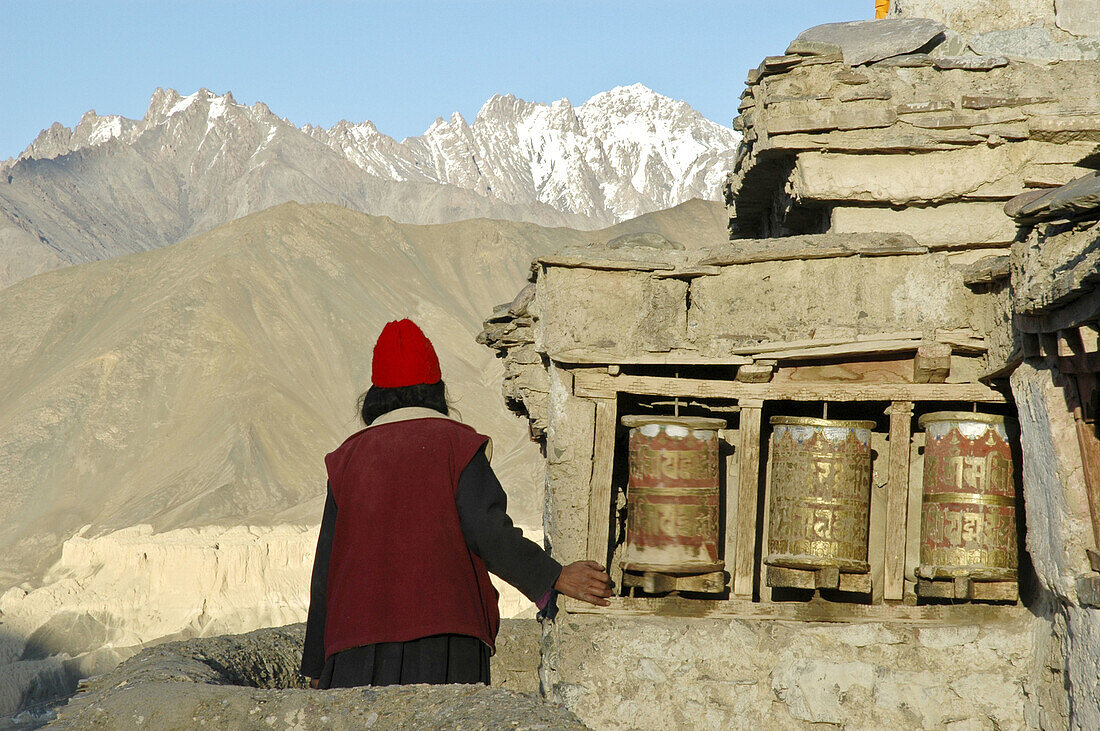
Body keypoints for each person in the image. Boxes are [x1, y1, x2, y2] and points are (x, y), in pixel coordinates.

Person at [300, 318, 613, 688]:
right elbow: (486, 529)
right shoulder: (457, 446)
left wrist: (318, 666)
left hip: (355, 649)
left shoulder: (345, 460)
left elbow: (326, 571)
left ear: (373, 395)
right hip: (446, 643)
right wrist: (554, 575)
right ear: (437, 389)